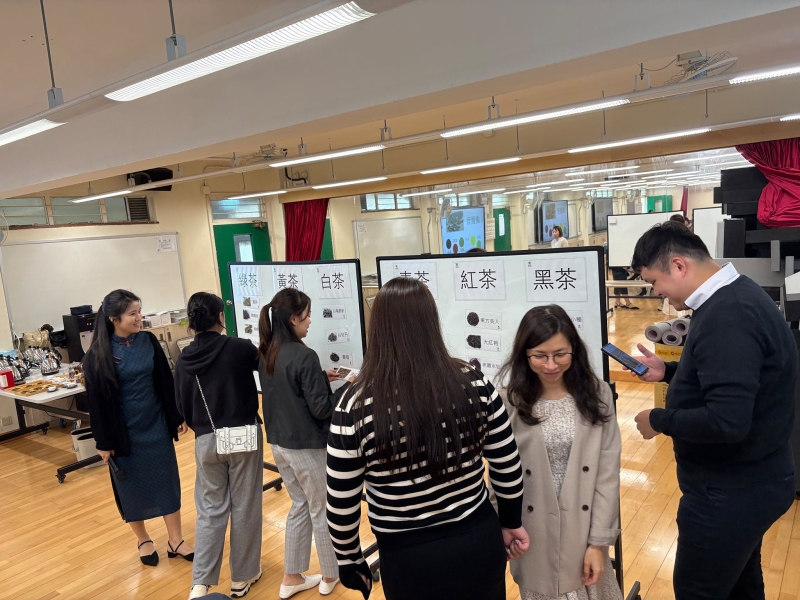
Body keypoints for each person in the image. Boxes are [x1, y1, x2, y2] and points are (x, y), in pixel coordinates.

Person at [326, 277, 529, 600]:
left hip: (408, 560)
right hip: (478, 541)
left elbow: (341, 503)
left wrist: (350, 560)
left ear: (378, 330)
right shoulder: (474, 383)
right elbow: (507, 465)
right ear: (431, 322)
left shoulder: (354, 405)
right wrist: (511, 521)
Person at [630, 222, 797, 600]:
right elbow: (734, 378)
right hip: (753, 480)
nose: (656, 292)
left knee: (699, 591)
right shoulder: (737, 294)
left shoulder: (728, 315)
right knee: (741, 585)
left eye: (655, 282)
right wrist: (668, 371)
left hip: (730, 492)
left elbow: (727, 422)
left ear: (679, 266)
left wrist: (658, 419)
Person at [497, 305, 622, 600]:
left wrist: (598, 543)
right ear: (524, 355)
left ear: (574, 351)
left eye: (560, 354)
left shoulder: (597, 394)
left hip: (583, 527)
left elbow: (607, 473)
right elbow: (500, 474)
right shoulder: (510, 400)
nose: (551, 365)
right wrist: (505, 525)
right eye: (540, 356)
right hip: (533, 530)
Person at [84, 289, 193, 566]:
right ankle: (143, 539)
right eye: (132, 313)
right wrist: (103, 443)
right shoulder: (97, 354)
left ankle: (175, 540)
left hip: (155, 425)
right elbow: (97, 404)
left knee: (167, 483)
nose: (139, 318)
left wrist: (176, 416)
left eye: (139, 311)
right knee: (131, 489)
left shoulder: (148, 341)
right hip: (124, 434)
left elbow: (164, 382)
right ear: (113, 319)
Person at [174, 292, 263, 600]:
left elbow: (181, 406)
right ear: (219, 317)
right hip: (244, 436)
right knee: (245, 506)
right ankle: (242, 578)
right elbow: (268, 370)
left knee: (210, 510)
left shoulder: (184, 359)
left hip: (206, 439)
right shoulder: (239, 348)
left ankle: (200, 583)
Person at [258, 288, 344, 599]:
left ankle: (291, 576)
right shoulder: (304, 355)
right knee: (322, 508)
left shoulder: (268, 351)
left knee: (300, 505)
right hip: (306, 445)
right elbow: (321, 409)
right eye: (307, 316)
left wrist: (319, 378)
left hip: (279, 442)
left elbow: (288, 388)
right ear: (294, 318)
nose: (310, 322)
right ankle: (331, 574)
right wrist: (347, 390)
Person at [604, 243, 638, 310]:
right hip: (618, 266)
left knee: (618, 284)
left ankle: (617, 302)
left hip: (616, 266)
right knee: (622, 284)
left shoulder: (613, 245)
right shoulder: (615, 246)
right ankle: (627, 302)